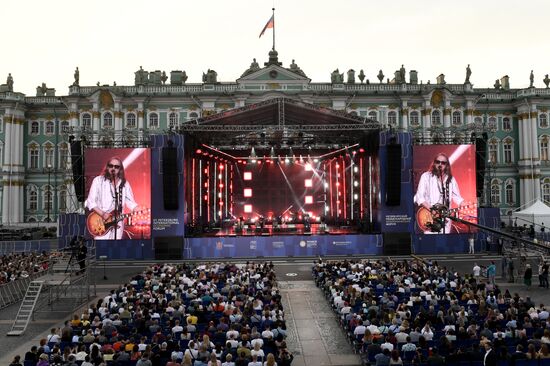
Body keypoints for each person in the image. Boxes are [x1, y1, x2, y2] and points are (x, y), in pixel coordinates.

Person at [85, 157, 141, 240]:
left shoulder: (124, 184)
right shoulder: (98, 181)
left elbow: (130, 201)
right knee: (102, 246)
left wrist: (136, 208)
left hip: (118, 222)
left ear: (120, 169)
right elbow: (91, 202)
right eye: (111, 166)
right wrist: (103, 214)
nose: (113, 168)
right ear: (107, 167)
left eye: (116, 166)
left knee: (116, 247)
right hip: (100, 222)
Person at [414, 153, 464, 234]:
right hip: (429, 217)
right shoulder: (426, 177)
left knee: (444, 242)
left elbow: (457, 198)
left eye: (443, 162)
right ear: (434, 163)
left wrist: (463, 203)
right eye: (438, 162)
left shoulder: (451, 180)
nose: (440, 164)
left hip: (445, 220)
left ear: (447, 165)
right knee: (430, 242)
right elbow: (420, 197)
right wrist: (432, 210)